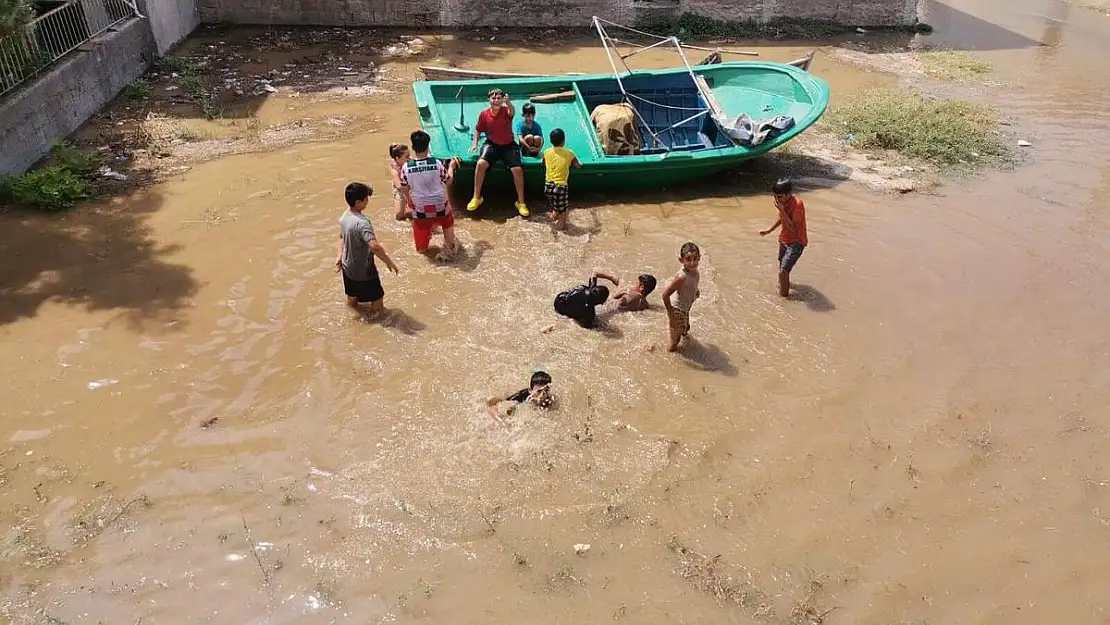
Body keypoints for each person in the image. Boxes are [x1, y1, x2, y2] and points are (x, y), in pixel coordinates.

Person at [335, 182, 399, 316]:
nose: (367, 202)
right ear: (358, 202)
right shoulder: (362, 223)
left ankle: (352, 317)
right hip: (364, 271)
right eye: (366, 199)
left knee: (352, 298)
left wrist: (339, 256)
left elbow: (341, 237)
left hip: (347, 267)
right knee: (377, 300)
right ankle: (375, 324)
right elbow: (374, 246)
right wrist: (389, 262)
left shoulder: (344, 216)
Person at [467, 87, 528, 217]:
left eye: (499, 98)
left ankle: (521, 202)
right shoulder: (484, 114)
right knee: (480, 164)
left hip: (508, 145)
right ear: (489, 99)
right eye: (493, 98)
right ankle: (476, 197)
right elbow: (478, 129)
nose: (496, 100)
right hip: (492, 144)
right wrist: (475, 144)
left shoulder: (506, 111)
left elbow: (512, 112)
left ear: (502, 100)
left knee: (517, 169)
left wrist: (509, 103)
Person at [400, 129, 461, 258]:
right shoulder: (436, 163)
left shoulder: (406, 167)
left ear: (413, 147)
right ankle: (449, 244)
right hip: (441, 208)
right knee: (451, 243)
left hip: (421, 211)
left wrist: (410, 201)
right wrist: (451, 166)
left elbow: (404, 188)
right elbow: (448, 181)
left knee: (421, 251)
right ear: (428, 147)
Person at [759, 177, 808, 297]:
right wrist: (769, 230)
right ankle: (784, 289)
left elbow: (793, 228)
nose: (777, 199)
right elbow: (782, 219)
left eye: (779, 196)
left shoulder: (797, 204)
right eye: (775, 196)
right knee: (783, 270)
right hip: (784, 240)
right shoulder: (783, 202)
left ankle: (784, 300)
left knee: (783, 271)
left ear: (789, 194)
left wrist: (782, 210)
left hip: (797, 241)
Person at [661, 242, 701, 352]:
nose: (692, 262)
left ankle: (677, 331)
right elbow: (665, 295)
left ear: (699, 258)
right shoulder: (682, 277)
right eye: (688, 259)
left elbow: (693, 283)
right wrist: (671, 315)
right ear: (681, 260)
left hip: (685, 308)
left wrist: (695, 291)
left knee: (686, 329)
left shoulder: (694, 271)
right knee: (675, 341)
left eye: (695, 258)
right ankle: (669, 354)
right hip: (677, 309)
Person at [542, 128, 581, 231]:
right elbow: (578, 165)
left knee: (555, 206)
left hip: (548, 186)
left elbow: (543, 162)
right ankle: (559, 231)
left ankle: (553, 218)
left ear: (550, 141)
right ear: (564, 141)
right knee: (564, 212)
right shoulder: (569, 153)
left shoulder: (546, 152)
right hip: (560, 187)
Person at [486, 369, 554, 425]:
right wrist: (502, 422)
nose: (542, 395)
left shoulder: (549, 400)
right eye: (539, 392)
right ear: (530, 390)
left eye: (545, 391)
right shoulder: (523, 395)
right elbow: (493, 409)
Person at [553, 271, 619, 329]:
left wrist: (611, 278)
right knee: (597, 323)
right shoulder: (589, 312)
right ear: (601, 303)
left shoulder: (592, 288)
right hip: (560, 309)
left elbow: (595, 273)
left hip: (560, 297)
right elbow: (587, 326)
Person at [388, 143, 411, 221]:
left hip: (410, 189)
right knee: (399, 216)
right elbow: (399, 186)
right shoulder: (394, 170)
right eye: (407, 157)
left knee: (411, 214)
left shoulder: (410, 163)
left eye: (409, 155)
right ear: (397, 159)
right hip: (400, 191)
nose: (410, 158)